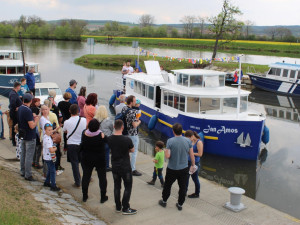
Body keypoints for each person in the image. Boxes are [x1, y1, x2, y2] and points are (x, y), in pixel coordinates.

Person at [158, 123, 195, 211]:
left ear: (173, 131)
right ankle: (180, 204)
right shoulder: (188, 141)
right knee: (183, 187)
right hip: (184, 168)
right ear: (182, 131)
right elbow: (192, 154)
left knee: (168, 185)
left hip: (172, 168)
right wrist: (193, 165)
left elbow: (167, 156)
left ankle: (164, 201)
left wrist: (165, 150)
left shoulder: (170, 141)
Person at [107, 120, 137, 215]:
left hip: (115, 166)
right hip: (125, 166)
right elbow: (132, 150)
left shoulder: (110, 139)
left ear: (114, 127)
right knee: (128, 186)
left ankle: (118, 206)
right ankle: (125, 207)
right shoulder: (127, 139)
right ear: (122, 127)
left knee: (117, 186)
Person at [80, 119, 108, 203]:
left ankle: (85, 196)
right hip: (100, 159)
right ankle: (103, 197)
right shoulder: (101, 135)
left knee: (86, 176)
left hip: (87, 158)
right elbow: (107, 142)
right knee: (102, 178)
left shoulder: (84, 134)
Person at [63, 104, 87, 188]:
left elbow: (65, 131)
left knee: (74, 164)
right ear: (78, 111)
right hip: (81, 143)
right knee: (84, 163)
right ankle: (87, 177)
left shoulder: (66, 122)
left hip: (71, 144)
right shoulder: (84, 120)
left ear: (69, 111)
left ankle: (77, 181)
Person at [18, 93, 40, 181]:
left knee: (23, 153)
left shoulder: (20, 108)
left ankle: (22, 171)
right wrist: (36, 119)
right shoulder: (27, 110)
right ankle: (28, 174)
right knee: (29, 155)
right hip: (29, 135)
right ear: (31, 101)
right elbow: (32, 125)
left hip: (22, 134)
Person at [121, 95, 142, 176]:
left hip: (125, 133)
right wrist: (139, 121)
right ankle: (132, 169)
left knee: (126, 151)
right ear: (131, 102)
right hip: (133, 134)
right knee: (134, 151)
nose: (135, 102)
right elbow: (134, 125)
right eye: (134, 101)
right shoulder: (132, 112)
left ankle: (124, 166)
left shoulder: (124, 108)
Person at [94, 105, 113, 171]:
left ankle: (97, 166)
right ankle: (106, 166)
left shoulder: (95, 120)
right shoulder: (108, 120)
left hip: (97, 138)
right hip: (106, 138)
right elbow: (111, 129)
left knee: (98, 153)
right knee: (106, 153)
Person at [184, 130, 203, 198]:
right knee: (186, 178)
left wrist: (191, 153)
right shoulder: (191, 141)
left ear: (192, 136)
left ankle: (197, 193)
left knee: (195, 178)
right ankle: (184, 192)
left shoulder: (199, 142)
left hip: (195, 163)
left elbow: (200, 154)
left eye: (188, 138)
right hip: (188, 161)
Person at [43, 123, 61, 192]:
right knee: (53, 171)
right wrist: (55, 148)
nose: (50, 131)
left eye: (51, 130)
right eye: (49, 130)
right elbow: (51, 150)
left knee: (50, 170)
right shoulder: (47, 139)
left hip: (46, 156)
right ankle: (53, 185)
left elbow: (52, 131)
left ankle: (47, 182)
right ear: (45, 130)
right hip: (49, 157)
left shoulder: (45, 136)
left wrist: (56, 129)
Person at [9, 82, 22, 146]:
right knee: (15, 126)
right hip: (15, 113)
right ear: (17, 87)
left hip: (15, 112)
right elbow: (12, 103)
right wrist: (16, 108)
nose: (20, 87)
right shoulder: (13, 94)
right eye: (19, 86)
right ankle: (14, 141)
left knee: (15, 125)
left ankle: (15, 140)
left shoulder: (14, 93)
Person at [30, 98, 42, 169]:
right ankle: (36, 162)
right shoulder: (35, 109)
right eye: (38, 102)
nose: (39, 103)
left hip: (33, 130)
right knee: (38, 148)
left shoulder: (31, 108)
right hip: (37, 129)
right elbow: (37, 118)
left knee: (34, 147)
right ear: (35, 102)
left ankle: (33, 161)